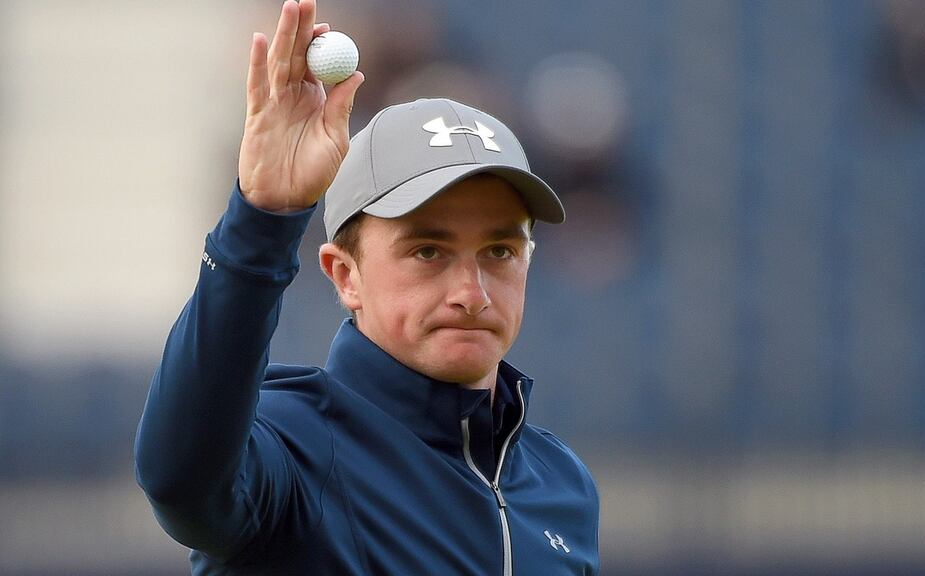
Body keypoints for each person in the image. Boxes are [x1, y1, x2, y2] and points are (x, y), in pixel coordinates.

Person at [133, 1, 600, 574]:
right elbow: (181, 482)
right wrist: (261, 218)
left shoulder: (562, 484)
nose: (472, 292)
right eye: (428, 251)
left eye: (499, 251)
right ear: (345, 275)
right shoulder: (292, 446)